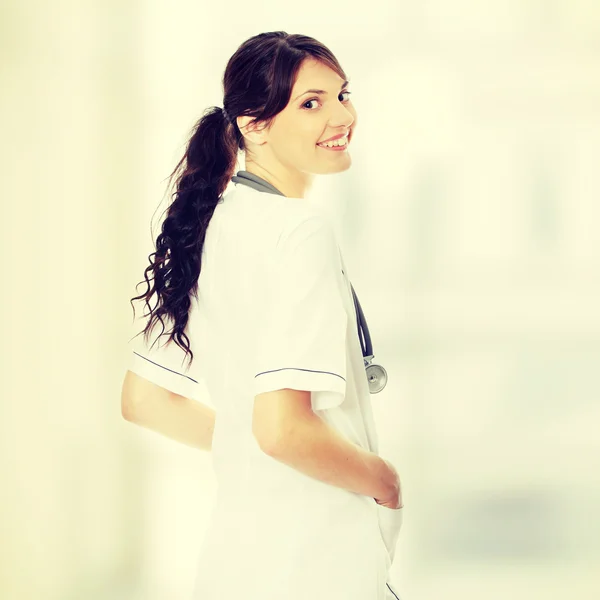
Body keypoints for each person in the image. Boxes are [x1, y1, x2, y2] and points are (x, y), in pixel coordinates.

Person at [121, 31, 405, 600]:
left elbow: (145, 401)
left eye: (342, 94)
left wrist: (251, 443)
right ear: (254, 124)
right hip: (316, 556)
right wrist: (385, 480)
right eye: (311, 103)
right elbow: (281, 429)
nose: (342, 115)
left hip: (237, 556)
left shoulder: (208, 227)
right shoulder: (299, 231)